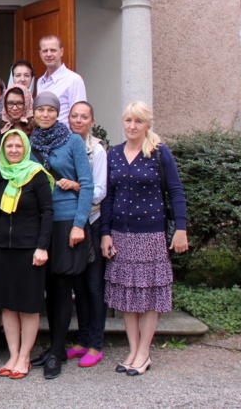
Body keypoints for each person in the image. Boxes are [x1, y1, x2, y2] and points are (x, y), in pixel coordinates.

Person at [101, 101, 188, 376]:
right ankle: (133, 350)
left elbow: (175, 191)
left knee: (149, 296)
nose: (132, 126)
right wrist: (104, 232)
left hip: (150, 234)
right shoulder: (113, 154)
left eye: (138, 121)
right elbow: (108, 197)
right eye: (128, 120)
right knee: (127, 294)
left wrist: (181, 228)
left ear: (147, 124)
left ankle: (144, 353)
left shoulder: (159, 154)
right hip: (120, 235)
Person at [28, 91, 93, 380]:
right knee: (50, 286)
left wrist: (79, 224)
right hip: (42, 221)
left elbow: (87, 185)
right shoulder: (30, 143)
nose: (45, 114)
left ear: (58, 113)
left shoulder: (73, 141)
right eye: (40, 109)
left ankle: (57, 351)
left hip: (67, 219)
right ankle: (56, 347)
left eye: (50, 110)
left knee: (64, 286)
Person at [0, 130, 54, 380]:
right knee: (7, 305)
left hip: (29, 249)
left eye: (19, 145)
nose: (14, 150)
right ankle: (13, 354)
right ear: (3, 150)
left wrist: (42, 246)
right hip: (2, 248)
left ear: (26, 148)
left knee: (28, 306)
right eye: (10, 146)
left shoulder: (36, 175)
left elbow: (48, 212)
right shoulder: (0, 174)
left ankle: (25, 356)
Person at [65, 102, 108, 367]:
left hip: (91, 221)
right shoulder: (66, 144)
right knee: (78, 286)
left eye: (84, 117)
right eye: (74, 116)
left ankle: (96, 343)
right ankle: (81, 340)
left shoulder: (97, 150)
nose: (78, 120)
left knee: (93, 286)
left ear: (92, 121)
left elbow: (100, 191)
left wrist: (76, 187)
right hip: (71, 222)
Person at [36, 35, 87, 125]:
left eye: (53, 50)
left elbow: (80, 115)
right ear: (40, 53)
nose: (48, 54)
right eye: (45, 51)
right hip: (43, 137)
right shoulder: (40, 81)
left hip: (65, 137)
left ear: (62, 51)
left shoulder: (73, 80)